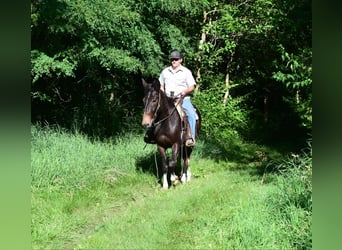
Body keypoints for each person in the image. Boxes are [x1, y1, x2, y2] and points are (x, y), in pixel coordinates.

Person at [159, 50, 197, 147]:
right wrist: (163, 92)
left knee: (191, 114)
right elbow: (161, 85)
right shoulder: (165, 71)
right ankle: (150, 134)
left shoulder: (186, 72)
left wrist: (184, 92)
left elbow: (192, 86)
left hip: (182, 99)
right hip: (167, 99)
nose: (174, 61)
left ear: (181, 60)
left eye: (176, 59)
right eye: (172, 59)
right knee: (154, 111)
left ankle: (190, 137)